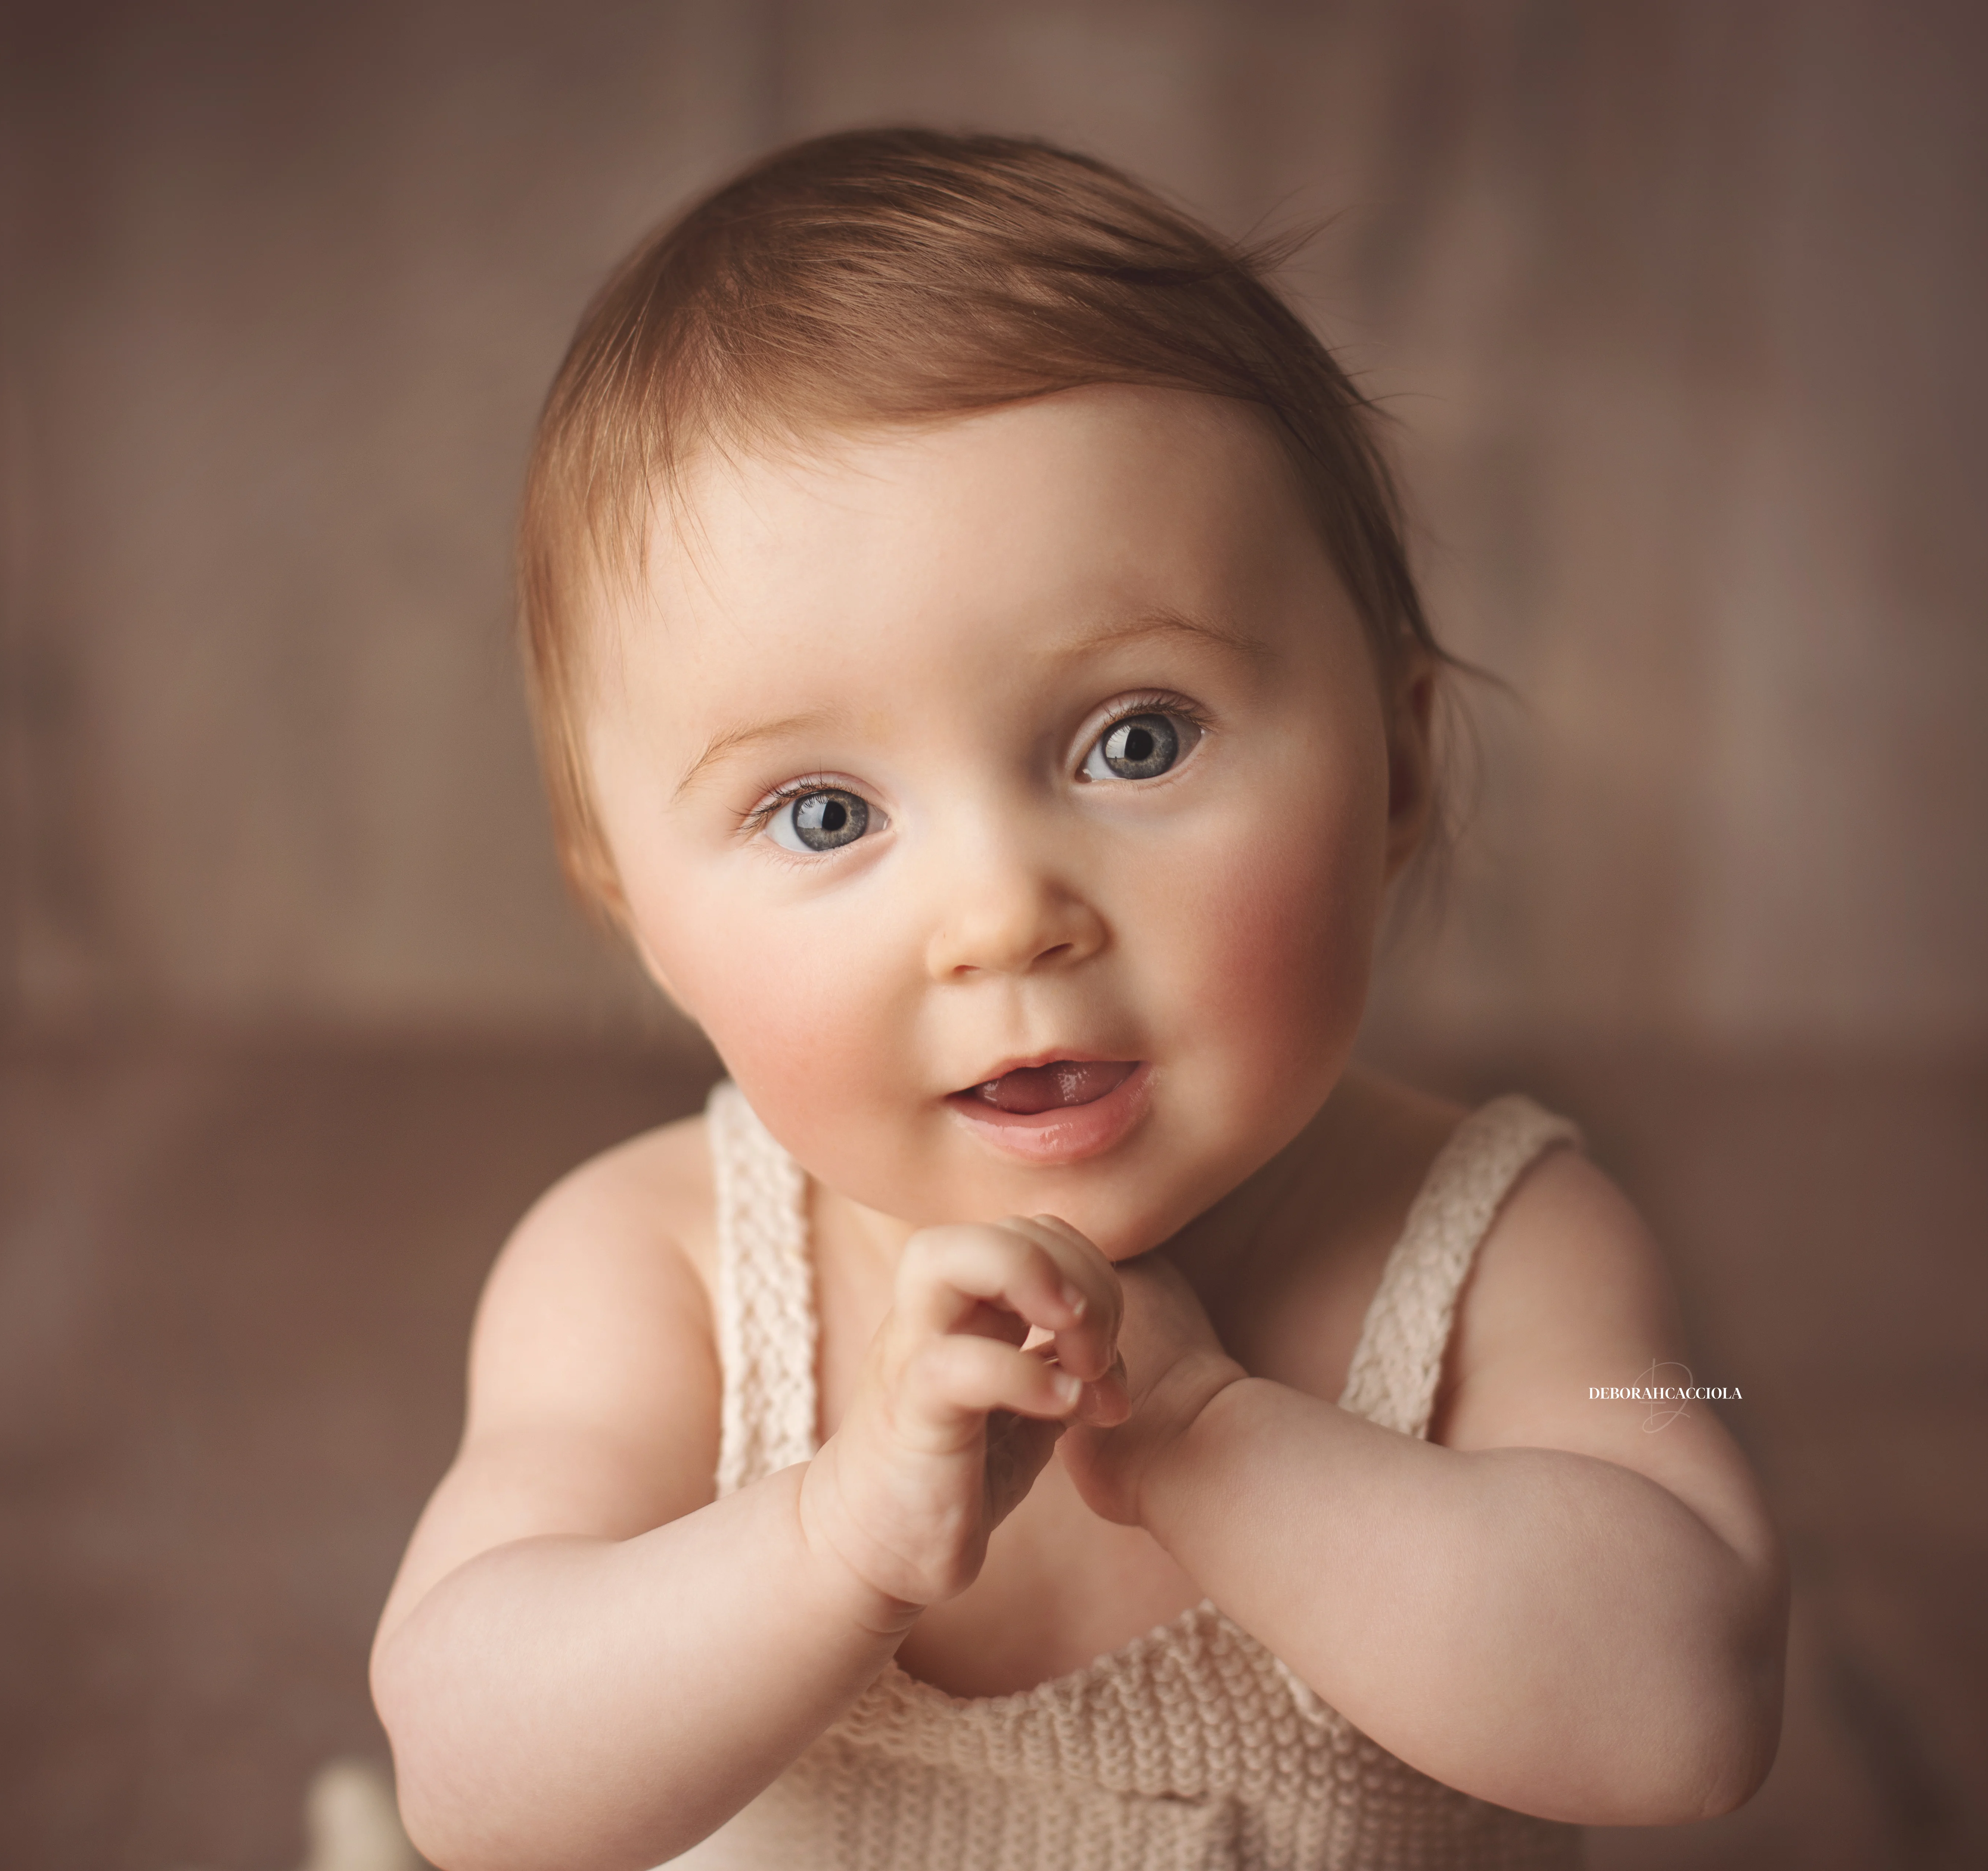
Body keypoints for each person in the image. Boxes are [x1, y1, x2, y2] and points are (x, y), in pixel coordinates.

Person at [371, 128, 1787, 1871]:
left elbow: (1696, 1693)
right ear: (641, 919)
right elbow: (472, 1772)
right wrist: (835, 1543)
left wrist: (1210, 1442)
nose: (1002, 917)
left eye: (1136, 740)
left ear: (1398, 764)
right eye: (825, 814)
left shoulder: (1514, 1244)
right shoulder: (643, 1273)